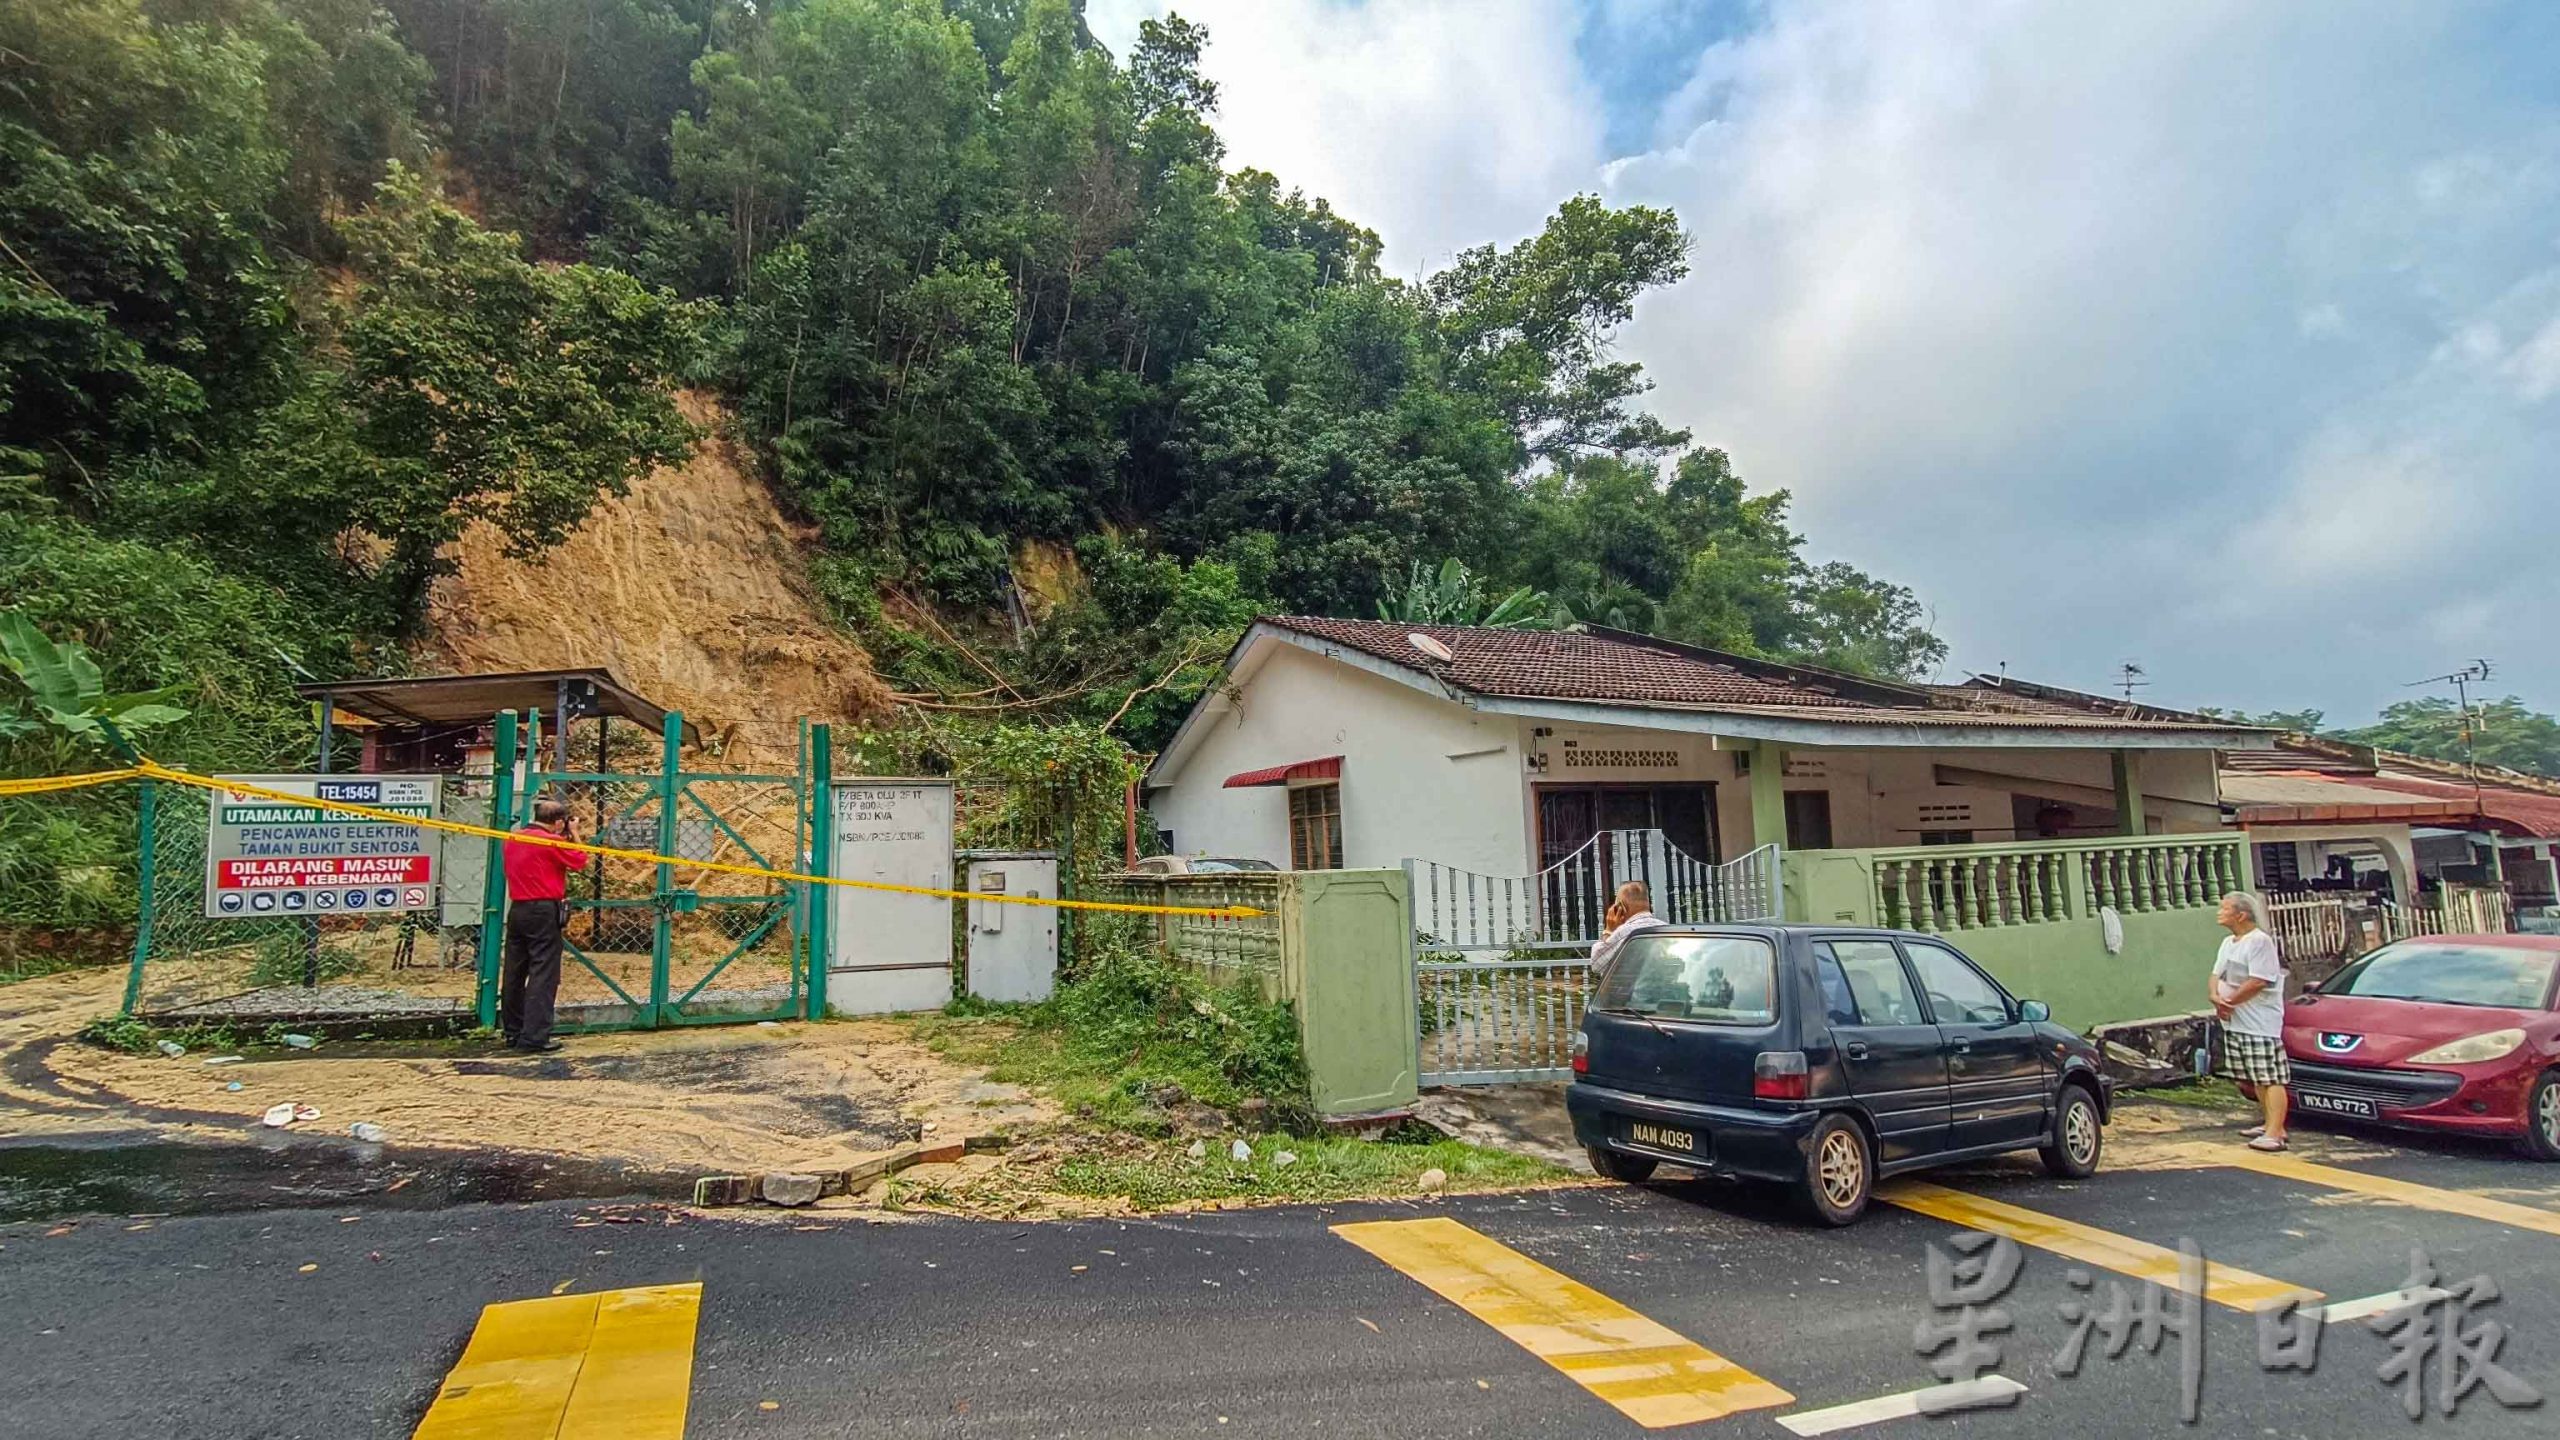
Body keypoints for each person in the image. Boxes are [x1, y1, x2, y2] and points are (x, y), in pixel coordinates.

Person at [501, 797, 590, 1053]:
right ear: (559, 822)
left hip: (517, 908)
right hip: (543, 910)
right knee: (543, 973)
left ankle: (513, 1031)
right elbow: (580, 860)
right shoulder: (551, 842)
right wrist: (574, 833)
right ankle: (535, 1036)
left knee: (514, 972)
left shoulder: (514, 838)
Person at [2209, 889, 2290, 1151]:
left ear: (2241, 915)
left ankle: (2276, 1132)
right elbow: (2216, 974)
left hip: (2259, 1022)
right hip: (2236, 1021)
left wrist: (2229, 1002)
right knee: (2255, 1077)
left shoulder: (2259, 942)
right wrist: (2215, 997)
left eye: (2225, 909)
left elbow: (2259, 981)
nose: (2220, 913)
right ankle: (2269, 1123)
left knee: (2269, 1077)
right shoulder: (2228, 942)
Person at [1590, 881, 1666, 979]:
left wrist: (1608, 931)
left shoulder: (1624, 933)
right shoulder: (1665, 928)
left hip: (1632, 989)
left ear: (1621, 907)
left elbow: (1597, 964)